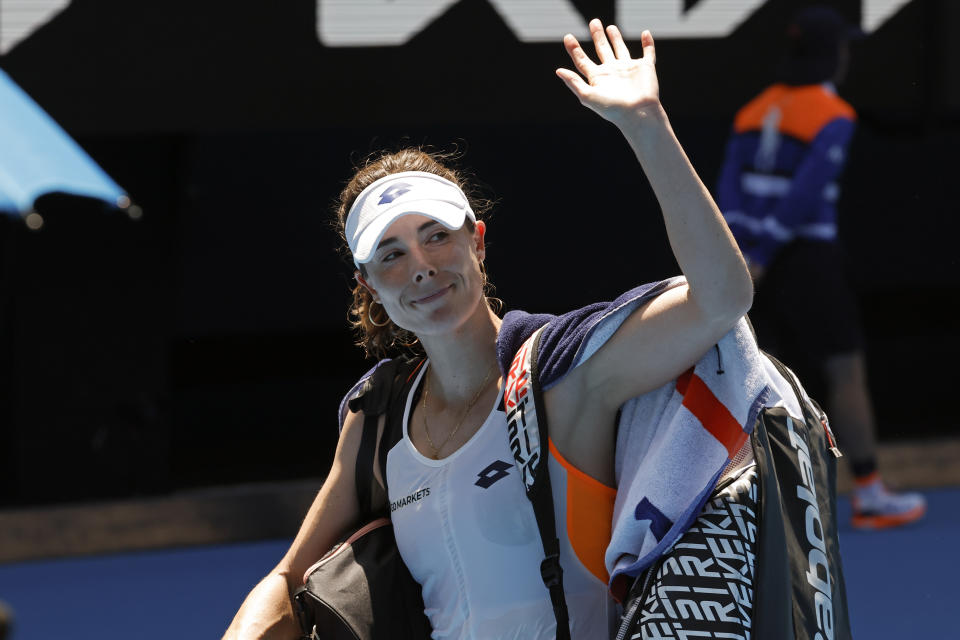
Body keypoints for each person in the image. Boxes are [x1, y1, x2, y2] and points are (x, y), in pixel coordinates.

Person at [224, 19, 757, 639]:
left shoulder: (562, 376)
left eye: (436, 237)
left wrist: (646, 127)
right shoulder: (376, 419)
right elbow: (291, 580)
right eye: (391, 254)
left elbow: (722, 299)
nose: (421, 267)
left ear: (477, 242)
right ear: (369, 285)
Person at [715, 5, 925, 530]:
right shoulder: (835, 116)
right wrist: (762, 254)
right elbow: (804, 196)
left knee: (759, 377)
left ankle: (762, 499)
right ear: (834, 56)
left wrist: (739, 253)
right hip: (805, 259)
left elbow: (727, 194)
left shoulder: (750, 110)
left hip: (751, 263)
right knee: (844, 370)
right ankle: (870, 492)